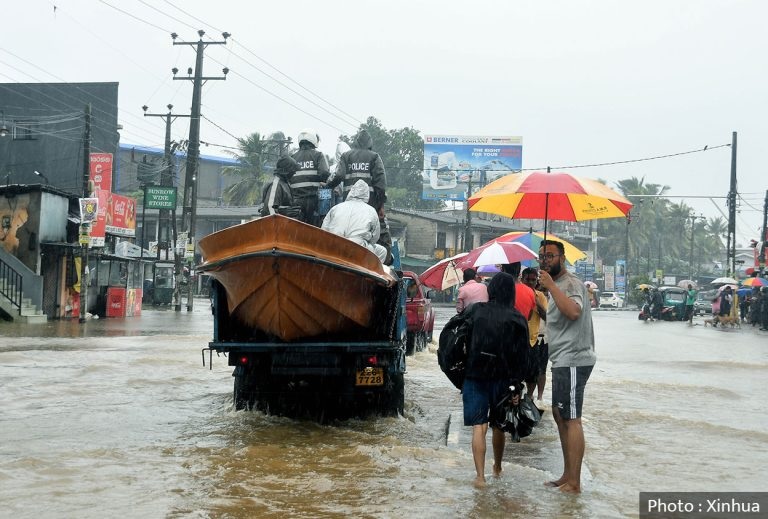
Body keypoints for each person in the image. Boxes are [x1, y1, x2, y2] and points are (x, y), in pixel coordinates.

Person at [537, 240, 596, 494]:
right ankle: (567, 474)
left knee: (571, 418)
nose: (545, 260)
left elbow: (573, 311)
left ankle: (575, 482)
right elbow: (559, 319)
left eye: (550, 256)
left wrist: (550, 286)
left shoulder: (570, 284)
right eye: (541, 256)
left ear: (562, 257)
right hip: (561, 359)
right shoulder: (557, 286)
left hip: (574, 359)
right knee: (560, 415)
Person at [461, 273, 529, 488]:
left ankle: (479, 477)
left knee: (478, 427)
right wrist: (517, 386)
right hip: (503, 379)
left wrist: (459, 372)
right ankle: (497, 467)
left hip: (474, 375)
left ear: (491, 290)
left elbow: (457, 339)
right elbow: (523, 356)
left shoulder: (475, 311)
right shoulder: (518, 318)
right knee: (499, 425)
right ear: (511, 292)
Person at [321, 179, 387, 263]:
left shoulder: (336, 208)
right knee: (382, 251)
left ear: (351, 192)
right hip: (358, 249)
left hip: (334, 246)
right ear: (367, 195)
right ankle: (367, 273)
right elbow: (375, 237)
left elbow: (323, 230)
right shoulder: (371, 211)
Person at [326, 129, 386, 210]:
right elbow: (380, 184)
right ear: (370, 143)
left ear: (356, 142)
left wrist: (328, 185)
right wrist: (381, 205)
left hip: (348, 202)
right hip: (369, 204)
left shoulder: (346, 156)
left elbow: (338, 176)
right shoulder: (374, 157)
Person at [290, 129, 330, 227]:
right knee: (314, 227)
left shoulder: (292, 157)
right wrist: (322, 181)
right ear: (313, 141)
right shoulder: (318, 155)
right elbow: (325, 172)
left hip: (296, 200)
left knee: (298, 228)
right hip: (313, 199)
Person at [522, 267, 548, 402]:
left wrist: (535, 301)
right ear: (522, 279)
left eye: (533, 280)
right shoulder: (517, 293)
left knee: (537, 371)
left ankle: (535, 397)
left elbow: (546, 317)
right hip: (519, 339)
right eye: (528, 280)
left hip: (536, 339)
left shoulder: (540, 296)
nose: (531, 282)